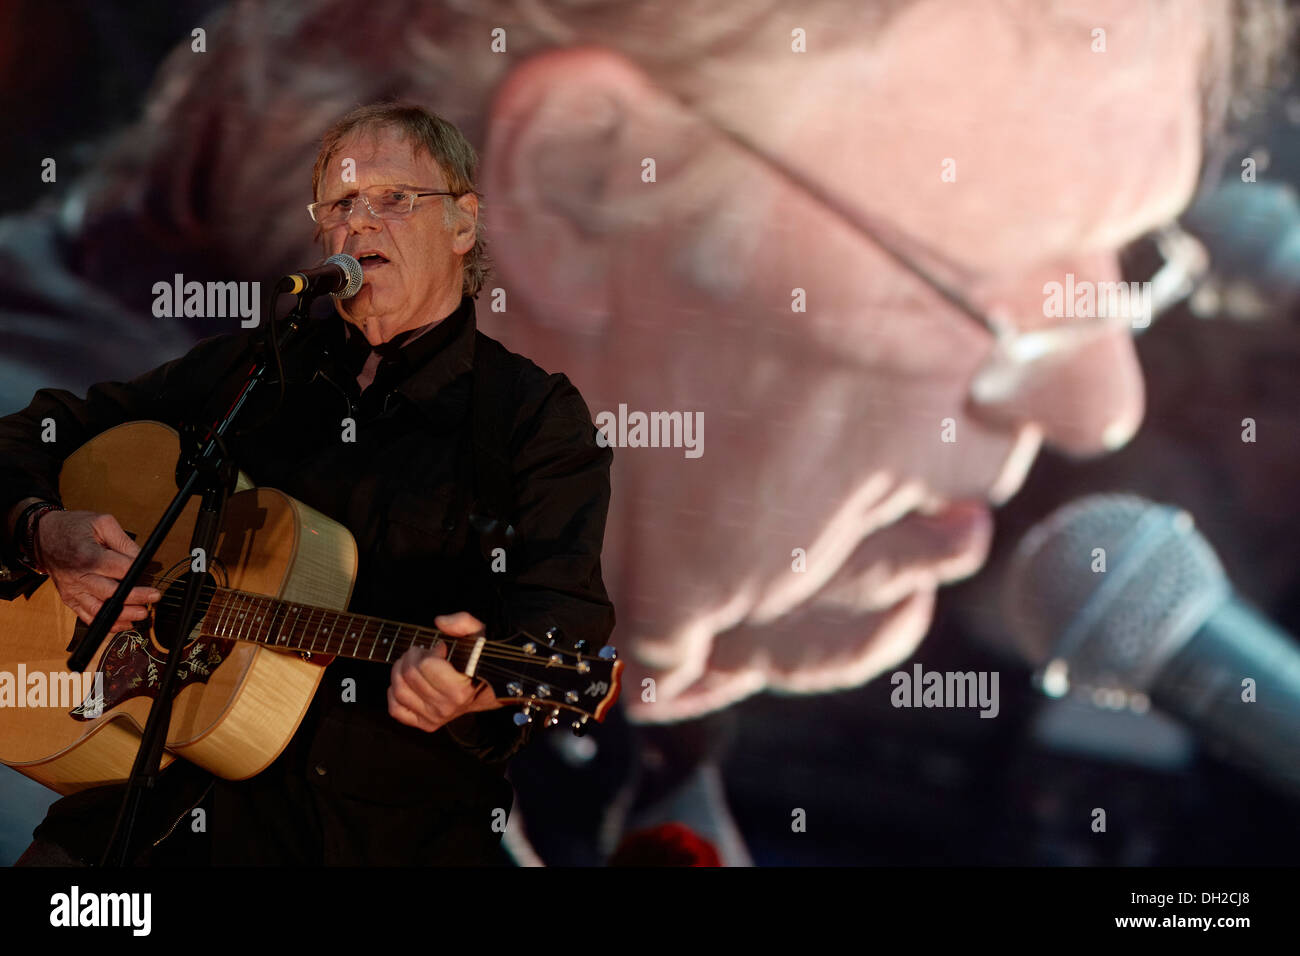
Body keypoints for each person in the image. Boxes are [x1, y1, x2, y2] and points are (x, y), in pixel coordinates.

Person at [0, 102, 617, 865]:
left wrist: (480, 685)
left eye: (394, 199)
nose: (360, 225)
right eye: (340, 205)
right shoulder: (254, 369)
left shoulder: (531, 415)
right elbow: (34, 432)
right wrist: (39, 531)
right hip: (155, 802)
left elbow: (566, 618)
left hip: (388, 833)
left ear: (463, 226)